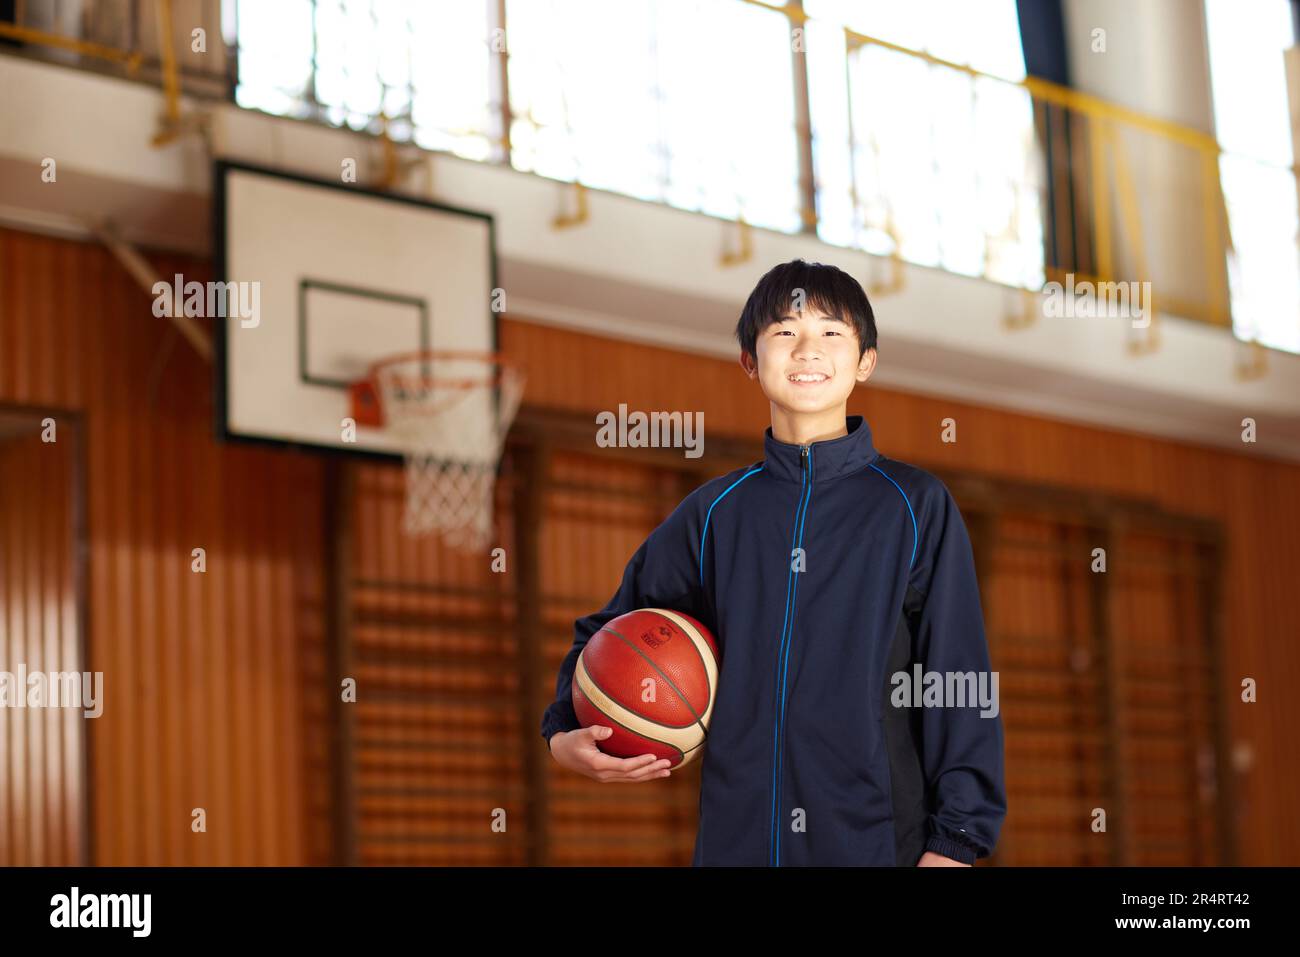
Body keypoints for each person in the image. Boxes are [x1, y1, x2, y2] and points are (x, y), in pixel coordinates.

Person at [541, 258, 1006, 866]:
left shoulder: (914, 506)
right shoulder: (713, 514)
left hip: (877, 848)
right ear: (750, 359)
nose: (807, 349)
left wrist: (956, 843)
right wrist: (561, 733)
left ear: (865, 360)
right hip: (737, 846)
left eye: (832, 332)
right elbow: (609, 631)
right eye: (785, 332)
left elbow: (957, 677)